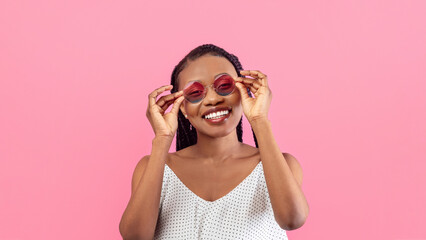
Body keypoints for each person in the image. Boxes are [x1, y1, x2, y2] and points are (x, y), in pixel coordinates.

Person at [119, 44, 309, 240]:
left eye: (225, 85)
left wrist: (260, 121)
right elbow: (135, 237)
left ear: (244, 90)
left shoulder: (283, 166)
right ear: (182, 107)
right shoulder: (153, 168)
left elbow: (292, 219)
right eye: (195, 92)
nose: (212, 99)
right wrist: (162, 140)